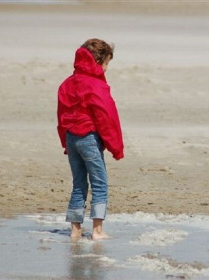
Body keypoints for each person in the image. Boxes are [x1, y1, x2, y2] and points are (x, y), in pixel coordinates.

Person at [57, 38, 124, 240]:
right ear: (98, 61)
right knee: (99, 182)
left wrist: (65, 142)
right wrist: (116, 148)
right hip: (89, 138)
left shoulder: (67, 83)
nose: (106, 69)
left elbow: (61, 115)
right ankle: (97, 230)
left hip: (71, 137)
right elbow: (107, 118)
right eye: (106, 64)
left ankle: (75, 230)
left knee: (79, 183)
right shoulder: (97, 86)